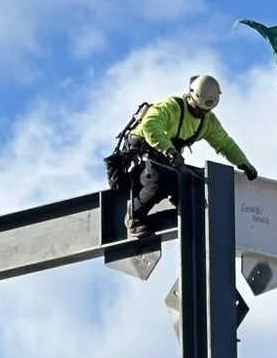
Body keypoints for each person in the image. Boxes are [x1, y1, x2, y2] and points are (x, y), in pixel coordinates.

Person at [109, 74, 257, 236]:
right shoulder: (172, 107)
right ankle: (134, 217)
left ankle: (185, 219)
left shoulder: (207, 121)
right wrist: (169, 150)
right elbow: (150, 125)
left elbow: (224, 143)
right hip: (144, 152)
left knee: (192, 185)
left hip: (166, 158)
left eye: (205, 110)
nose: (201, 113)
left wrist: (243, 162)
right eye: (198, 109)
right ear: (191, 97)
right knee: (160, 180)